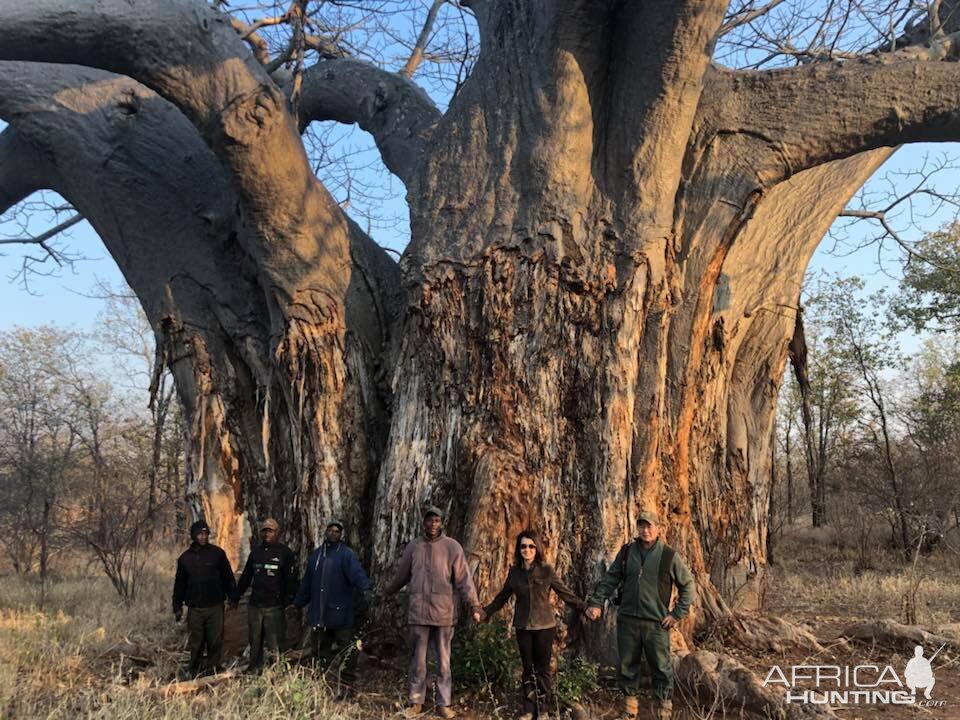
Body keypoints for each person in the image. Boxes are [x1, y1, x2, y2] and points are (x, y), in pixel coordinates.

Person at [585, 511, 695, 720]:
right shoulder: (627, 552)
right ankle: (629, 709)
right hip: (628, 619)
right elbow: (611, 577)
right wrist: (597, 602)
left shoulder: (669, 556)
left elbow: (688, 586)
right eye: (642, 526)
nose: (645, 531)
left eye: (650, 526)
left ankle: (663, 709)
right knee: (627, 664)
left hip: (656, 623)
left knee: (661, 666)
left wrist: (676, 614)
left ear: (658, 529)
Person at [383, 505, 482, 719]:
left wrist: (474, 605)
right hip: (418, 613)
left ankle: (444, 703)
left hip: (444, 614)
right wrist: (387, 591)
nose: (433, 524)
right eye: (429, 520)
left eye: (437, 520)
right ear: (424, 522)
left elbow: (464, 579)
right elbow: (402, 575)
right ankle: (416, 701)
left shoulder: (452, 547)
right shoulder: (414, 547)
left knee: (443, 662)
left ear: (442, 522)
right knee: (418, 661)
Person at [482, 529, 587, 720]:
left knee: (543, 669)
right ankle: (529, 709)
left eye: (531, 546)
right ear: (519, 549)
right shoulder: (514, 573)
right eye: (523, 546)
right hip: (523, 627)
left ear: (537, 548)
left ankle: (543, 709)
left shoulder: (546, 570)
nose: (527, 549)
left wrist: (585, 608)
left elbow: (564, 593)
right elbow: (502, 597)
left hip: (545, 627)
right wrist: (485, 612)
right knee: (527, 668)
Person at [293, 518, 373, 699]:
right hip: (319, 616)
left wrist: (366, 588)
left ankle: (346, 686)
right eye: (331, 530)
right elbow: (307, 583)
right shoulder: (315, 556)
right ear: (325, 531)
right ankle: (320, 685)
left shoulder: (346, 555)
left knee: (348, 650)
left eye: (337, 531)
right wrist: (298, 602)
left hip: (341, 614)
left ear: (341, 534)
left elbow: (357, 573)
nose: (333, 533)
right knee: (320, 651)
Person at [171, 520, 236, 679]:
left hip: (215, 606)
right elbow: (179, 584)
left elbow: (228, 577)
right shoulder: (185, 559)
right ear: (193, 535)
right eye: (199, 534)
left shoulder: (217, 554)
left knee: (215, 640)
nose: (203, 537)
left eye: (205, 533)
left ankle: (213, 669)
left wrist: (233, 597)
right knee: (196, 641)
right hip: (195, 608)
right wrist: (177, 606)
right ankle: (194, 670)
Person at [233, 517, 298, 672]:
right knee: (255, 641)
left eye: (271, 531)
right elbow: (247, 577)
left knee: (275, 642)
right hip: (255, 605)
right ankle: (255, 669)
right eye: (265, 531)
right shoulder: (255, 552)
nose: (267, 534)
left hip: (274, 607)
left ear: (277, 533)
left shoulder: (285, 553)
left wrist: (290, 601)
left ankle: (278, 670)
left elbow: (291, 580)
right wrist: (236, 596)